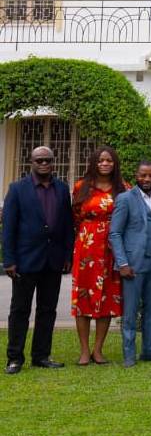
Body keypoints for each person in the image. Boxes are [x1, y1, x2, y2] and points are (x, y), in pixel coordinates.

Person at [3, 146, 73, 374]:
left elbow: (67, 226)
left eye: (48, 160)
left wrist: (67, 255)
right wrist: (9, 260)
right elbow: (9, 228)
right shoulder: (17, 189)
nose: (44, 164)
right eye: (39, 160)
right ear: (31, 162)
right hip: (25, 261)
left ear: (54, 162)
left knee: (47, 310)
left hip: (53, 260)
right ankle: (14, 358)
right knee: (20, 310)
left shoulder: (62, 189)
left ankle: (41, 355)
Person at [70, 145, 128, 366]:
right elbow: (75, 217)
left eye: (109, 160)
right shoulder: (81, 187)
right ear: (94, 163)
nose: (104, 164)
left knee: (108, 298)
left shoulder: (123, 188)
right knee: (83, 298)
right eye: (101, 160)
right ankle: (84, 350)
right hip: (86, 247)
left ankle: (98, 350)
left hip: (113, 249)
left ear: (115, 164)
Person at [109, 160, 151, 368]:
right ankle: (129, 354)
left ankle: (150, 350)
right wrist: (122, 262)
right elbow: (115, 233)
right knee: (131, 310)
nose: (147, 179)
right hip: (132, 263)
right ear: (136, 175)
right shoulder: (125, 199)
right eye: (143, 175)